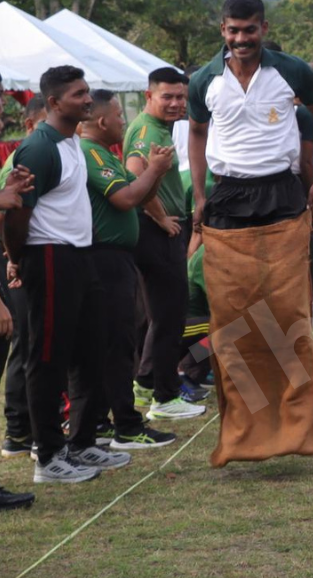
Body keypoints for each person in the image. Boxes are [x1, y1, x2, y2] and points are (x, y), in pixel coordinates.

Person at [187, 0, 313, 467]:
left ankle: (299, 428)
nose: (241, 39)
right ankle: (242, 436)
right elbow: (196, 132)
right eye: (232, 31)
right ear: (222, 31)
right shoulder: (204, 80)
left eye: (249, 30)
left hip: (282, 194)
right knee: (233, 323)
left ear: (263, 28)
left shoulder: (291, 71)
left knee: (289, 315)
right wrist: (198, 192)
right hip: (228, 197)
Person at [5, 66, 130, 483]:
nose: (87, 99)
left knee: (91, 349)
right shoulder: (39, 148)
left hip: (80, 256)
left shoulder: (72, 141)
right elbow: (18, 211)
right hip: (50, 257)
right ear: (54, 103)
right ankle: (48, 457)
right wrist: (17, 257)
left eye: (86, 92)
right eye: (77, 95)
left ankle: (82, 442)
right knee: (48, 357)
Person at [81, 90, 180, 450]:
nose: (125, 122)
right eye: (120, 116)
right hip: (104, 259)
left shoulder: (106, 153)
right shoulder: (91, 152)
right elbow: (123, 199)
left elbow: (135, 193)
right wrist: (153, 169)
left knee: (118, 341)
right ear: (104, 121)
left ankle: (105, 420)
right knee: (117, 344)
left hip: (116, 258)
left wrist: (156, 172)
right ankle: (125, 425)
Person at [125, 67, 208, 419]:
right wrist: (159, 216)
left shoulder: (162, 127)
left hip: (164, 227)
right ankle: (165, 396)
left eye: (180, 97)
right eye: (167, 97)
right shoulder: (146, 130)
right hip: (157, 228)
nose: (176, 104)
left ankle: (146, 384)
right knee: (169, 316)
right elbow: (132, 172)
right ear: (149, 96)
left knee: (162, 315)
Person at [1, 96, 46, 462]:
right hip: (14, 268)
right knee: (24, 345)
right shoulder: (22, 160)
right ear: (31, 126)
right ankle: (17, 430)